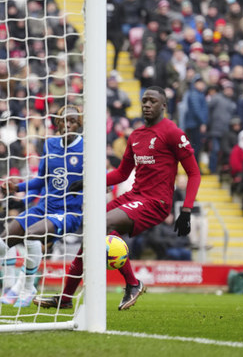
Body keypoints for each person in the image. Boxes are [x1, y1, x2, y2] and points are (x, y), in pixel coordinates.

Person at [34, 87, 201, 310]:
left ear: (164, 106)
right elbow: (122, 173)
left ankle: (132, 283)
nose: (147, 105)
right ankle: (66, 299)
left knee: (102, 224)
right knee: (91, 230)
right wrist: (88, 181)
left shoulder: (172, 132)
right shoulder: (136, 136)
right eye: (144, 101)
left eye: (153, 101)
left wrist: (187, 210)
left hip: (155, 202)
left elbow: (194, 173)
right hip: (134, 196)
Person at [0, 105, 84, 308]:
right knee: (1, 242)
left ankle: (27, 288)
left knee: (31, 234)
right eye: (64, 121)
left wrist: (87, 184)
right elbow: (41, 180)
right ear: (57, 124)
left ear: (79, 124)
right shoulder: (51, 145)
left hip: (69, 212)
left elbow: (105, 182)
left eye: (73, 121)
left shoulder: (87, 149)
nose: (68, 125)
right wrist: (17, 188)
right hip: (44, 206)